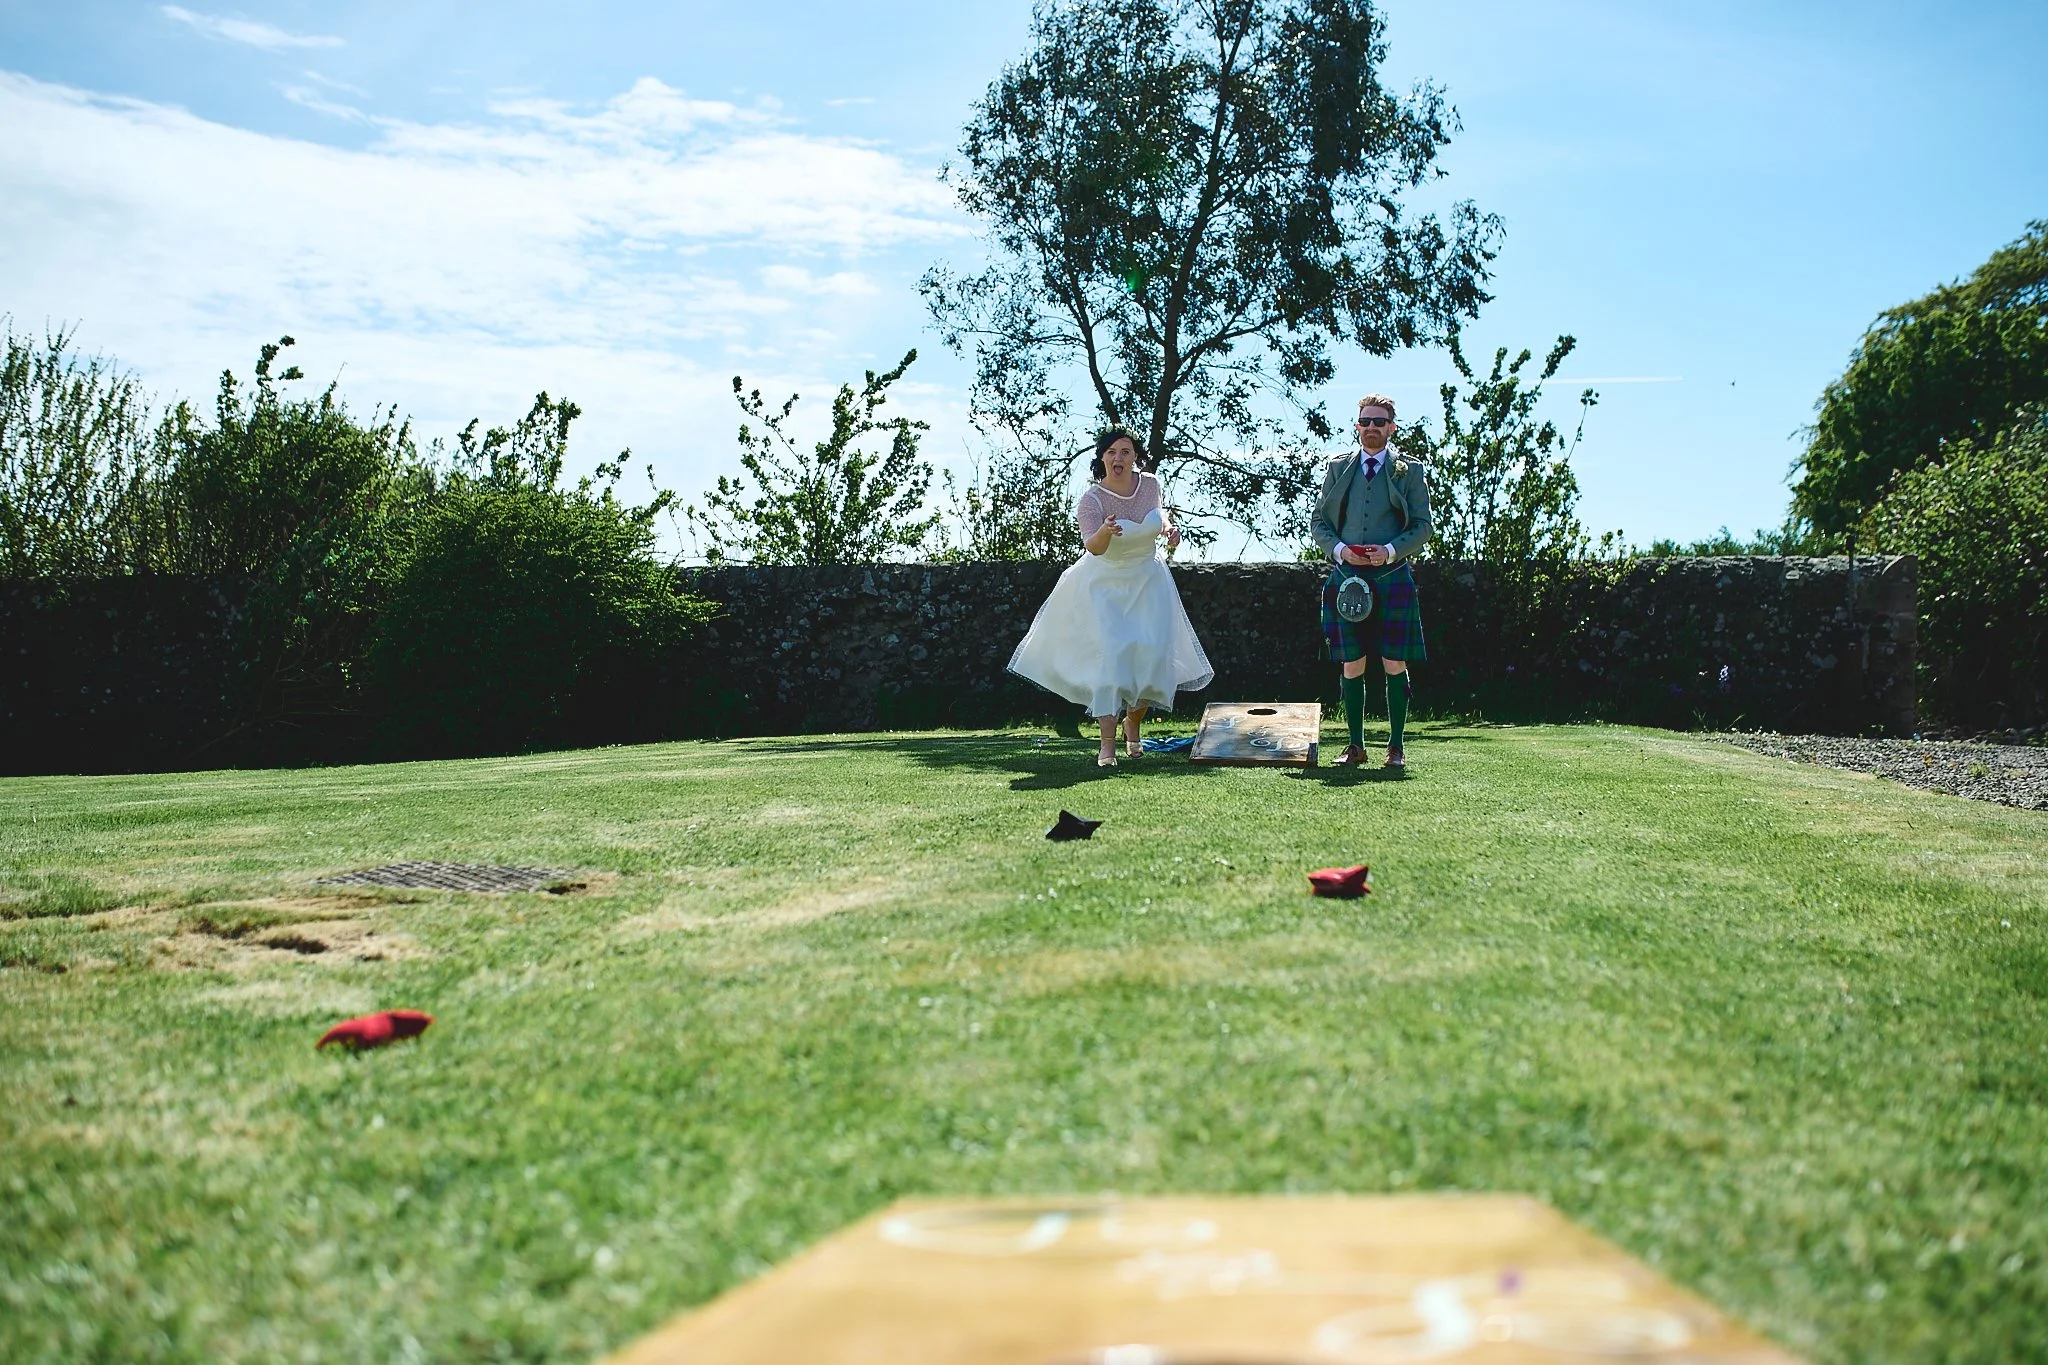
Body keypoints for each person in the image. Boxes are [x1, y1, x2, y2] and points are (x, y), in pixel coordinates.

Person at [1008, 426, 1215, 767]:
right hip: (1104, 584)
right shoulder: (1092, 501)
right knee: (1112, 655)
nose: (1118, 458)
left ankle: (1132, 723)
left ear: (1136, 457)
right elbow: (1093, 546)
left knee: (1151, 655)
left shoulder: (1150, 484)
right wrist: (1105, 530)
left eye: (1126, 452)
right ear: (1102, 458)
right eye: (1112, 452)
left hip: (1149, 580)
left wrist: (1169, 530)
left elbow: (1158, 515)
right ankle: (1107, 746)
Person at [1309, 394, 1432, 769]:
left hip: (1392, 575)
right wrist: (1340, 550)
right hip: (1347, 577)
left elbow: (1423, 527)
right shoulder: (1338, 467)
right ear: (1357, 425)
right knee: (1351, 662)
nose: (1372, 428)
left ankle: (1395, 747)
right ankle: (1356, 746)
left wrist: (1391, 551)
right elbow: (1319, 524)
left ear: (1392, 427)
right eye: (1366, 421)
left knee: (1394, 661)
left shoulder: (1408, 470)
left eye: (1380, 422)